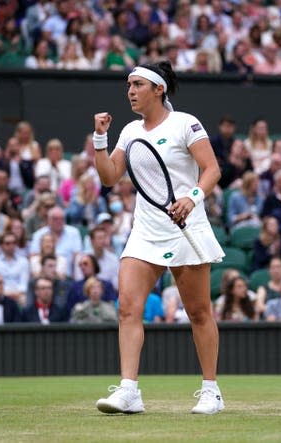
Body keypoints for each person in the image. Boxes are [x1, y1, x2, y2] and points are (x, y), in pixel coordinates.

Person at [92, 61, 225, 415]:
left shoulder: (185, 123)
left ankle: (211, 390)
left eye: (137, 84)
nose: (130, 91)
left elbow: (212, 169)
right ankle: (129, 390)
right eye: (128, 86)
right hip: (146, 231)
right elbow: (109, 177)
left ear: (158, 89)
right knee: (127, 308)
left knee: (198, 312)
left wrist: (191, 198)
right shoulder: (130, 131)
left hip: (187, 226)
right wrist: (100, 139)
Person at [0, 232, 30, 307]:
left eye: (14, 243)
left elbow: (24, 284)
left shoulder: (24, 261)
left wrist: (15, 293)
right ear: (1, 245)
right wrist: (5, 293)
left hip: (19, 295)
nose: (11, 246)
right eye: (7, 243)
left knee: (27, 301)